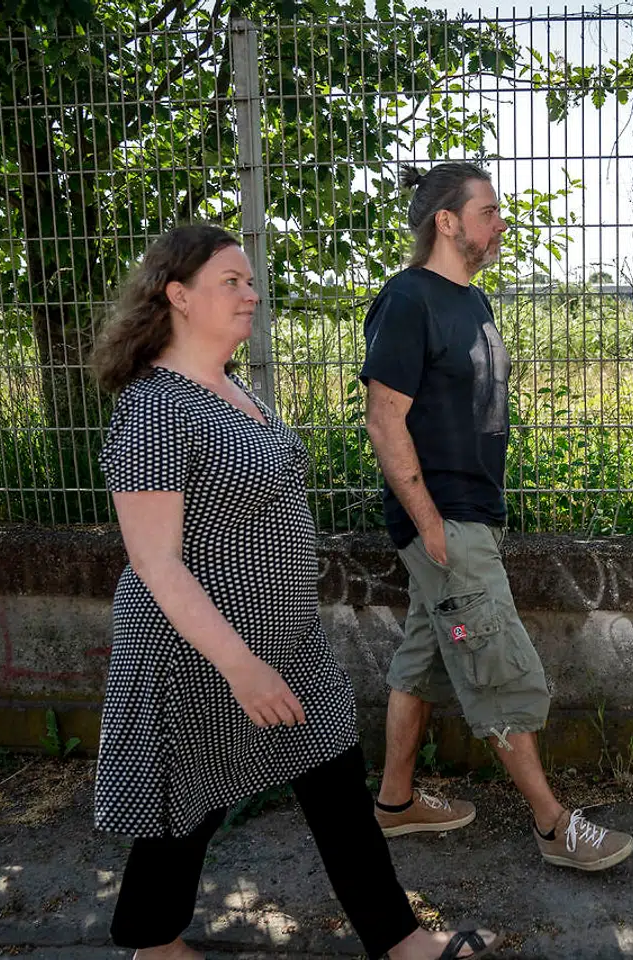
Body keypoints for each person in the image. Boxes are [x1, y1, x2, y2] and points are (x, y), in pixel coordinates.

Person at [90, 224, 496, 960]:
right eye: (231, 282)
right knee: (187, 799)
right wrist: (240, 667)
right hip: (198, 653)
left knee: (334, 777)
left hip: (286, 640)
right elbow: (155, 563)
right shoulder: (155, 407)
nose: (251, 294)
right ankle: (154, 944)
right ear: (179, 296)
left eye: (250, 281)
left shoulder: (229, 387)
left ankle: (399, 940)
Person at [359, 163, 633, 871]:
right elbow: (385, 419)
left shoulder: (472, 300)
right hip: (445, 519)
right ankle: (552, 825)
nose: (501, 223)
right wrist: (429, 523)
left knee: (422, 660)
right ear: (446, 222)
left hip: (469, 515)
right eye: (488, 211)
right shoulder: (408, 299)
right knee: (497, 666)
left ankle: (394, 803)